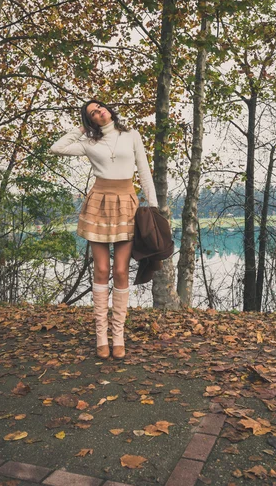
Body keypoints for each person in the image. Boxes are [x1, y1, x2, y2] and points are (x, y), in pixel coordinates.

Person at [50, 99, 158, 360]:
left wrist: (153, 206)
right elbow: (57, 148)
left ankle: (118, 335)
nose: (99, 112)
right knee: (100, 269)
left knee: (120, 270)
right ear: (91, 121)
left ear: (108, 110)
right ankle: (101, 336)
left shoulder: (131, 135)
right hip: (98, 202)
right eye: (92, 114)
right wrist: (81, 129)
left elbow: (143, 170)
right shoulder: (89, 142)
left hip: (126, 203)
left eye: (100, 108)